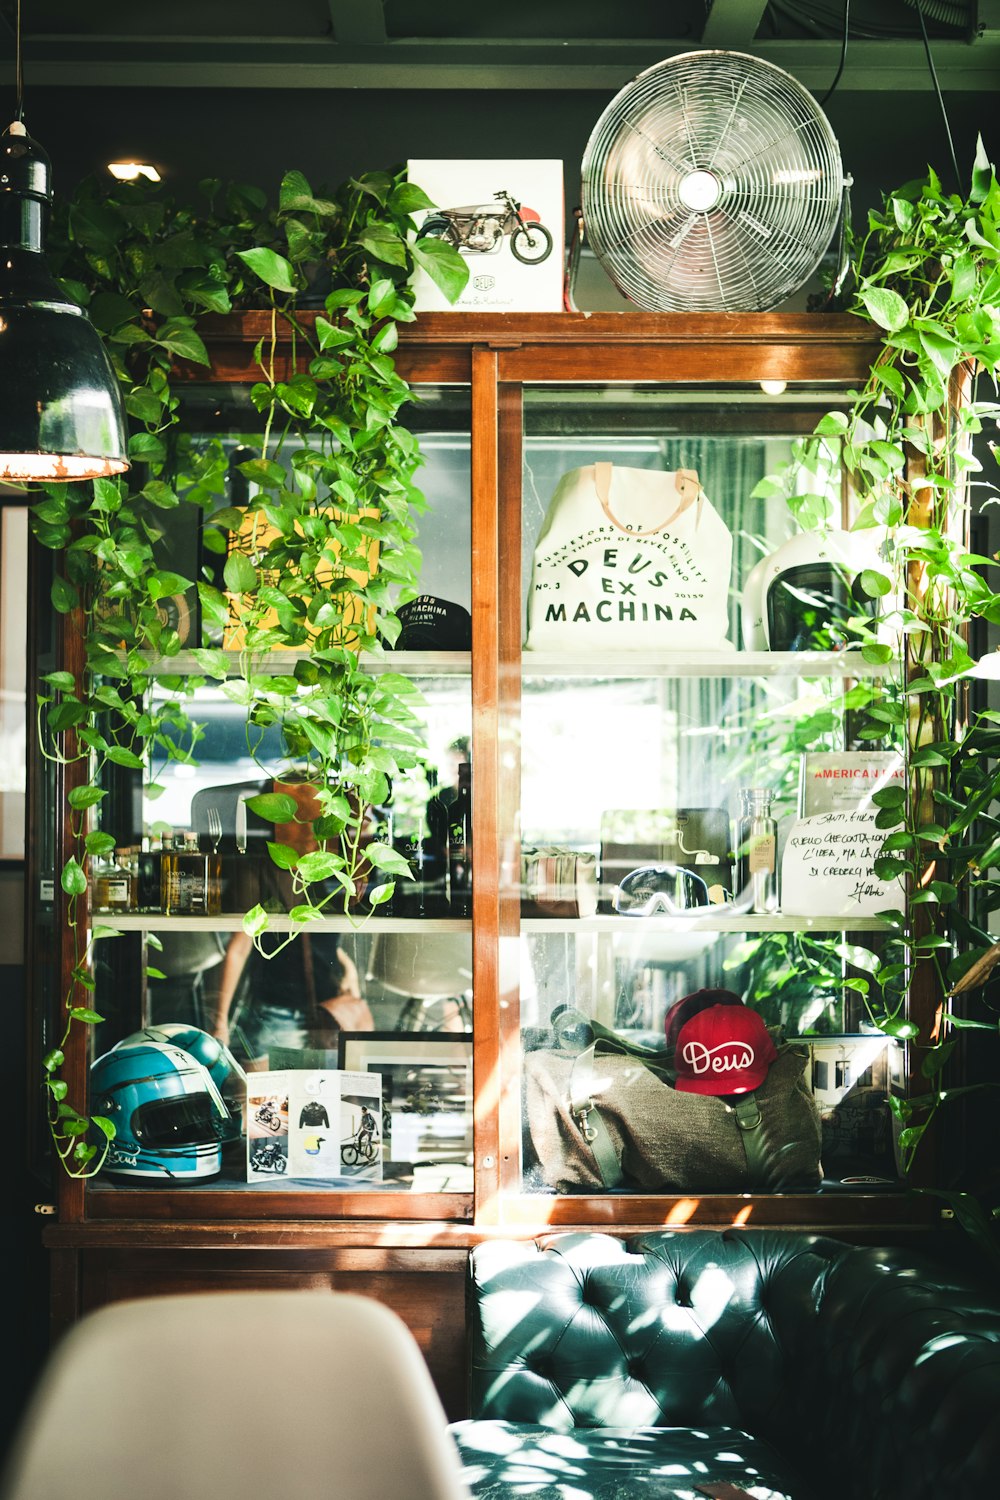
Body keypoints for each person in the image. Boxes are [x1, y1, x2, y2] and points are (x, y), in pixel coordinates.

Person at [210, 929, 371, 1063]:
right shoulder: (270, 891)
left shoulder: (330, 890)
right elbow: (238, 950)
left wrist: (349, 967)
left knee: (319, 1096)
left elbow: (318, 937)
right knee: (268, 1098)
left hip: (328, 1015)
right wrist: (220, 1021)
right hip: (279, 1012)